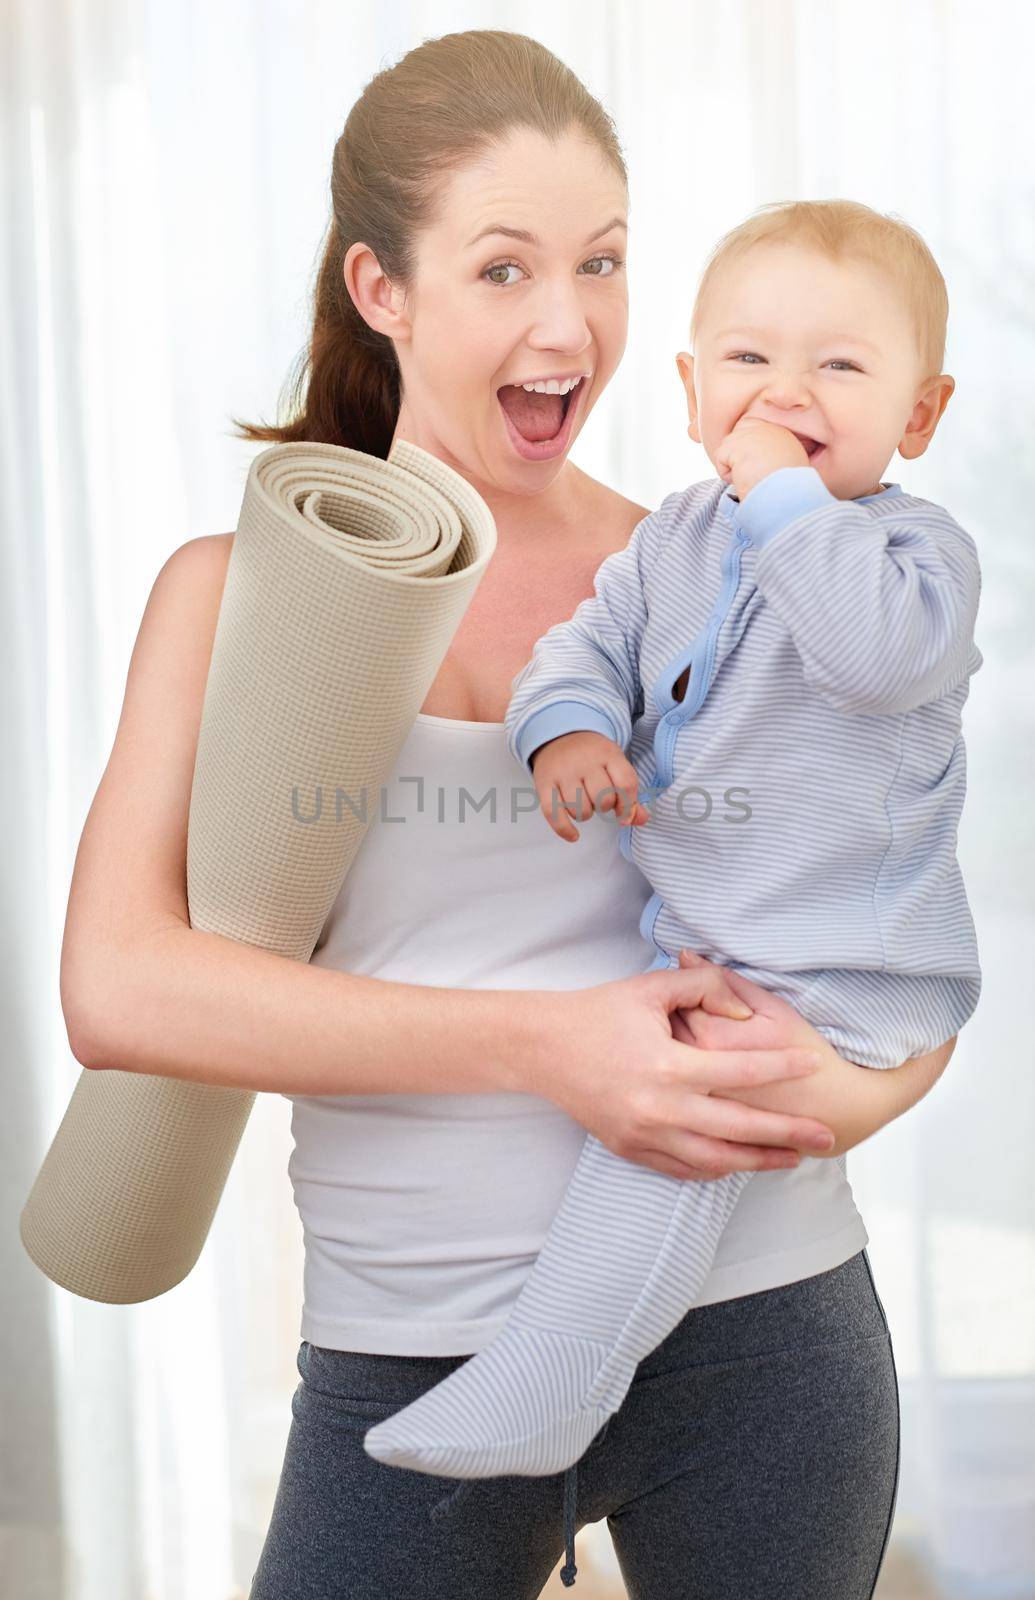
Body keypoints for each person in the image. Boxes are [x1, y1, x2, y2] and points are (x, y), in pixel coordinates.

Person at [59, 29, 957, 1600]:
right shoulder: (236, 600)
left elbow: (880, 870)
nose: (570, 323)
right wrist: (554, 1050)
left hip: (767, 1327)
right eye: (503, 270)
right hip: (411, 1352)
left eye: (604, 262)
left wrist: (864, 1090)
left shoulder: (734, 566)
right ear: (379, 289)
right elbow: (118, 989)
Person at [362, 198, 981, 1489]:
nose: (786, 393)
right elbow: (581, 645)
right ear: (693, 388)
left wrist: (789, 502)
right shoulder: (671, 542)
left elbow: (873, 660)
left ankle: (555, 1378)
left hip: (847, 960)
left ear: (919, 416)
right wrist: (570, 730)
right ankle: (558, 1374)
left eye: (843, 367)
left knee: (685, 1112)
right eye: (749, 362)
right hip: (727, 941)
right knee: (681, 1096)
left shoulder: (914, 557)